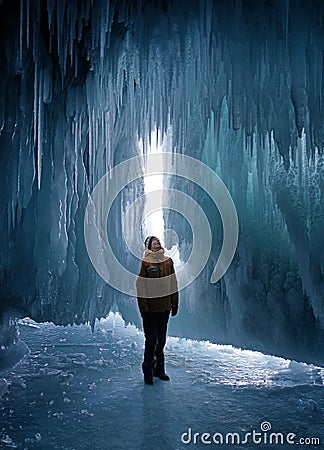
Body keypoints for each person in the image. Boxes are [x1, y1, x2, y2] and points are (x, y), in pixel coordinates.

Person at [136, 236, 179, 385]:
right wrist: (144, 307)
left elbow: (173, 282)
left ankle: (159, 371)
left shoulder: (168, 262)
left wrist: (174, 303)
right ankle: (148, 371)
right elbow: (140, 285)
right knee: (151, 340)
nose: (158, 242)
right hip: (150, 310)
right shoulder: (146, 262)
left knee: (161, 341)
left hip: (164, 308)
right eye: (154, 241)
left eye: (158, 241)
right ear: (149, 246)